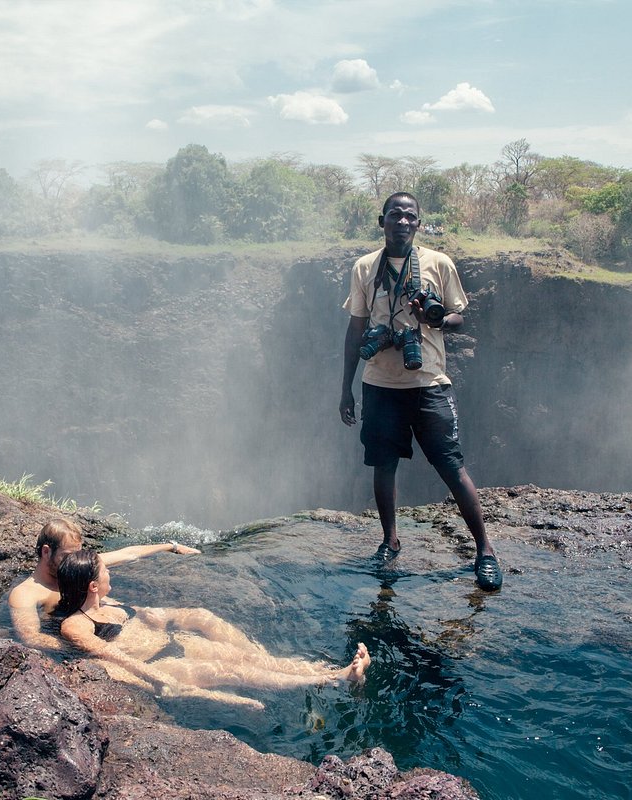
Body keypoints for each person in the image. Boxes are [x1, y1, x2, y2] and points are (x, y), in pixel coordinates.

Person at [339, 192, 502, 591]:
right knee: (383, 464)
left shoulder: (438, 263)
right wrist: (346, 387)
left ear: (418, 224)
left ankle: (485, 551)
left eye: (410, 216)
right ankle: (389, 541)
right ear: (382, 221)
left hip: (429, 382)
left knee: (450, 464)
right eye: (395, 215)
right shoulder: (364, 268)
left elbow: (460, 317)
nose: (402, 222)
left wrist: (436, 319)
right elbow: (356, 328)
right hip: (379, 384)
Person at [55, 549, 371, 708]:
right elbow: (111, 657)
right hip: (160, 664)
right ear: (93, 585)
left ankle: (337, 671)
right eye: (106, 570)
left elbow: (150, 620)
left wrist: (161, 616)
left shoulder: (111, 602)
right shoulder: (75, 624)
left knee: (251, 659)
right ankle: (333, 679)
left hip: (176, 644)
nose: (112, 571)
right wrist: (157, 679)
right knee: (233, 673)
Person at [8, 518, 202, 649]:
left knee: (201, 620)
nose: (74, 559)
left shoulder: (77, 565)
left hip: (124, 621)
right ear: (46, 551)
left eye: (78, 553)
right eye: (68, 555)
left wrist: (172, 546)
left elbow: (127, 554)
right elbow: (31, 638)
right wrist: (89, 644)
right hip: (102, 639)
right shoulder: (25, 593)